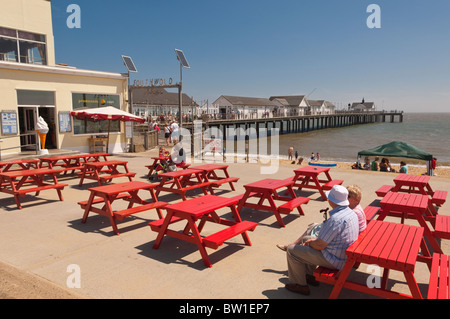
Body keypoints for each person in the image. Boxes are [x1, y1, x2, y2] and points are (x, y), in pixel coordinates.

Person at [284, 185, 359, 295]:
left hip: (335, 260)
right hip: (344, 256)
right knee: (307, 239)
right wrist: (311, 242)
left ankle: (300, 285)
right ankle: (309, 276)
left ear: (332, 201)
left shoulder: (336, 219)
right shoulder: (351, 213)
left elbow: (320, 245)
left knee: (291, 250)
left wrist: (312, 243)